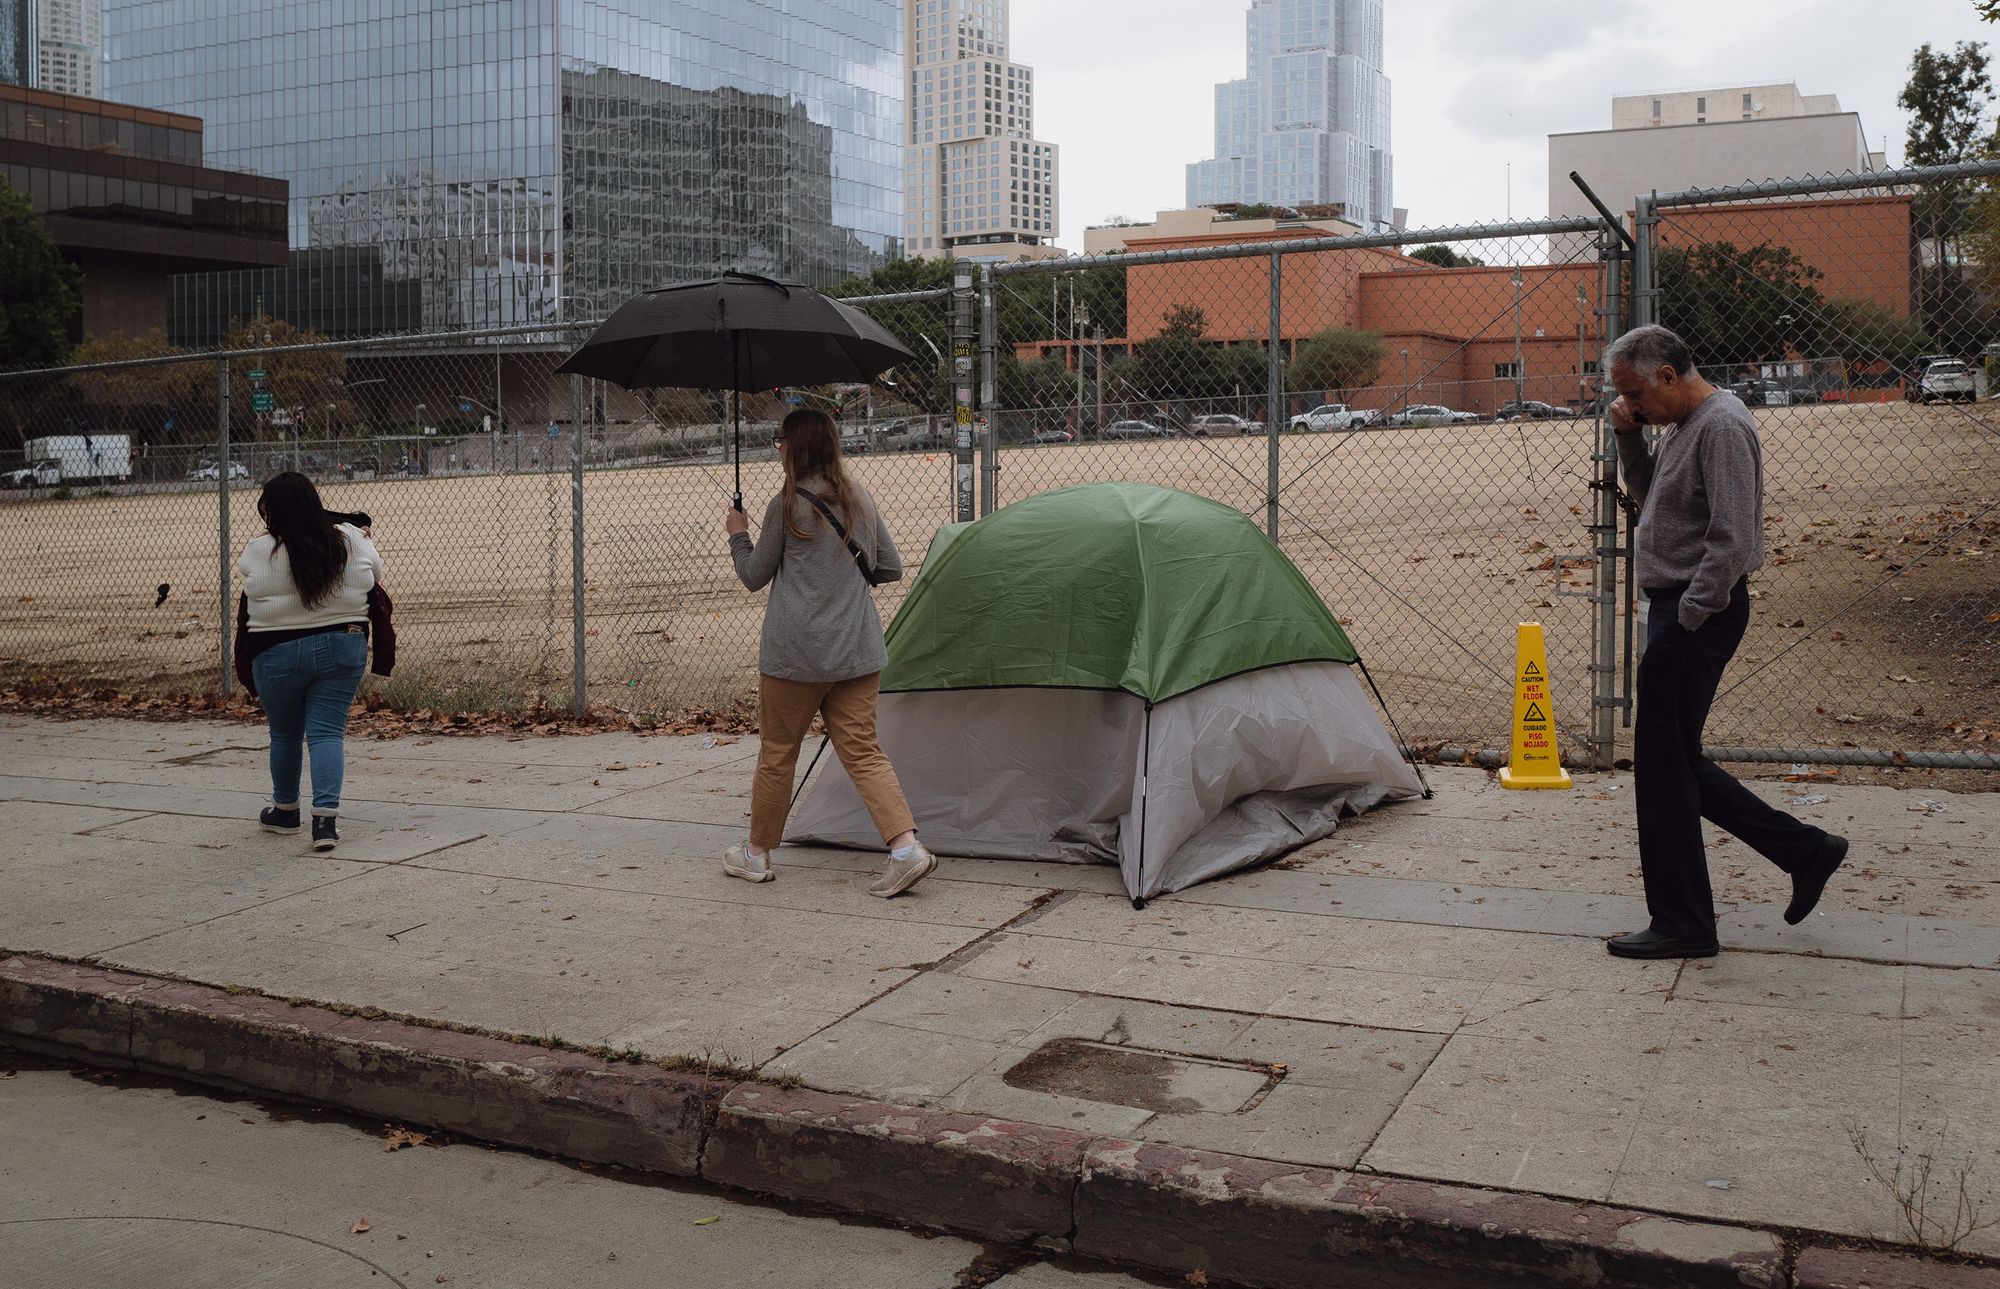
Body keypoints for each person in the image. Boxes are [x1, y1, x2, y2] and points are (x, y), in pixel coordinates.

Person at [1605, 324, 1848, 959]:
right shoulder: (1685, 424)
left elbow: (1733, 537)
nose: (1629, 404)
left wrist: (1688, 615)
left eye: (1633, 394)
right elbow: (1651, 497)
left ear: (1666, 375)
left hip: (1696, 614)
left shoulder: (1722, 425)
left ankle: (1685, 924)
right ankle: (1805, 850)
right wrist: (1629, 436)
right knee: (1674, 762)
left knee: (1662, 770)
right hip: (1682, 609)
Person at [722, 408, 936, 897]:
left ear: (794, 447)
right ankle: (906, 850)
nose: (776, 447)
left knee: (778, 752)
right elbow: (891, 567)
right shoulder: (859, 497)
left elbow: (754, 574)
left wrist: (738, 532)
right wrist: (844, 576)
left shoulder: (785, 506)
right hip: (856, 651)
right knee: (862, 750)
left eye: (780, 440)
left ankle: (756, 855)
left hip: (794, 656)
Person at [235, 471, 385, 853]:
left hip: (275, 652)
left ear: (271, 510)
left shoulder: (257, 549)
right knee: (327, 733)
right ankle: (325, 823)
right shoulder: (351, 540)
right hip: (343, 645)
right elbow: (375, 578)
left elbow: (251, 585)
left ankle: (285, 811)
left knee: (284, 733)